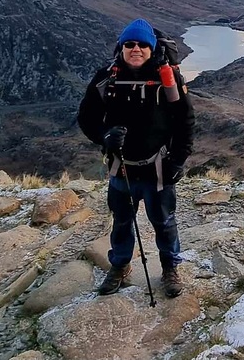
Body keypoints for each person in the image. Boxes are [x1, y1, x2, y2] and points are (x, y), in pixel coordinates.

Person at [77, 18, 195, 298]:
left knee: (164, 222)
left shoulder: (168, 79)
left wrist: (177, 161)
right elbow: (86, 118)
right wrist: (104, 136)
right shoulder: (106, 77)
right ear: (122, 46)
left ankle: (170, 268)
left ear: (152, 48)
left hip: (158, 169)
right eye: (130, 44)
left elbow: (185, 122)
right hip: (122, 169)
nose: (136, 49)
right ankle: (120, 265)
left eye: (143, 44)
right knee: (121, 221)